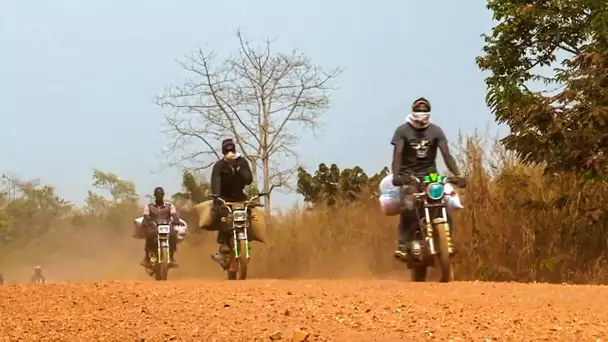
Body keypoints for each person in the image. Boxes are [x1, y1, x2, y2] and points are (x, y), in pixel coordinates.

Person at [390, 97, 466, 259]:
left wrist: (458, 175)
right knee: (409, 205)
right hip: (408, 176)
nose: (421, 113)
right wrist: (397, 176)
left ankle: (447, 241)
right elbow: (397, 154)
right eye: (419, 110)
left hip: (430, 176)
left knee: (443, 203)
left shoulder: (436, 131)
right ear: (412, 111)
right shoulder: (402, 131)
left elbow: (446, 155)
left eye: (424, 110)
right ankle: (403, 244)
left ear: (429, 112)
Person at [208, 138, 259, 269]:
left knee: (249, 214)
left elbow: (248, 180)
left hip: (240, 197)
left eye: (232, 150)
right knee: (223, 217)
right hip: (225, 199)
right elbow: (215, 183)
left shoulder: (242, 162)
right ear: (223, 152)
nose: (230, 152)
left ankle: (247, 237)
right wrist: (217, 199)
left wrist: (238, 167)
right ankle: (223, 247)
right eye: (227, 150)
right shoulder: (218, 166)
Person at [140, 187, 184, 268]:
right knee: (149, 236)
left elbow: (174, 215)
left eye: (161, 194)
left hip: (166, 227)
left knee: (173, 235)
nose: (159, 196)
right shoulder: (149, 206)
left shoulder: (170, 206)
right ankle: (146, 258)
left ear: (163, 195)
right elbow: (146, 216)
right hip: (154, 227)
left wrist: (177, 220)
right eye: (157, 194)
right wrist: (145, 222)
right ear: (155, 195)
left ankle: (171, 257)